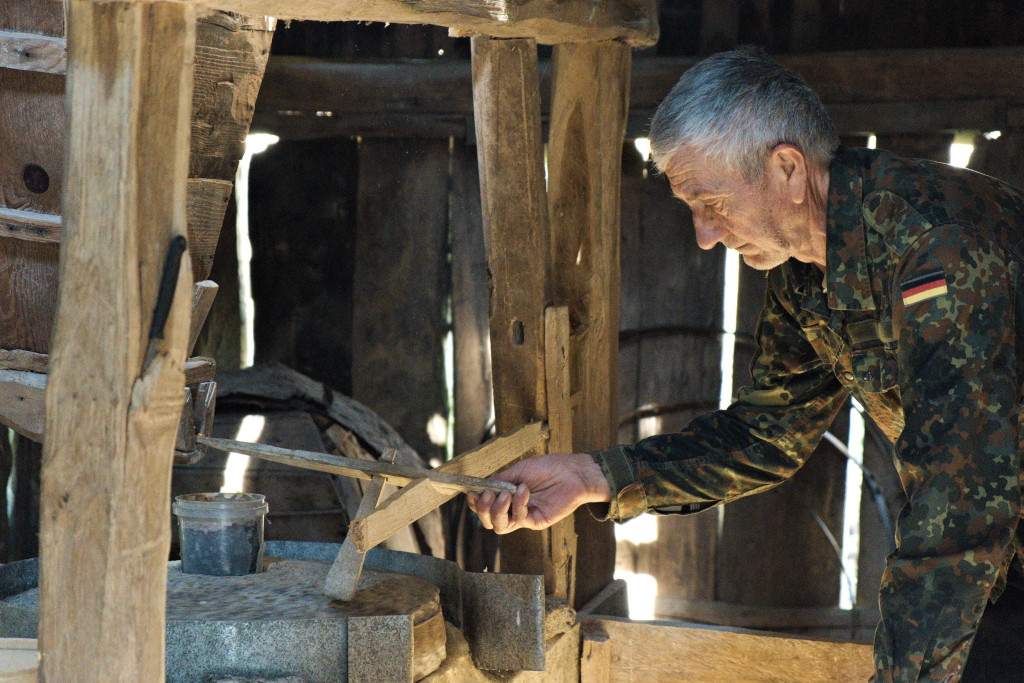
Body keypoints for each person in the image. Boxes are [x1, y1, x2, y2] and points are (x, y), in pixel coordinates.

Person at [467, 47, 1024, 682]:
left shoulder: (932, 246)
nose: (704, 236)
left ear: (787, 168)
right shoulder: (806, 271)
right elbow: (768, 437)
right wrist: (595, 475)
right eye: (691, 209)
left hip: (989, 539)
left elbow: (962, 500)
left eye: (711, 202)